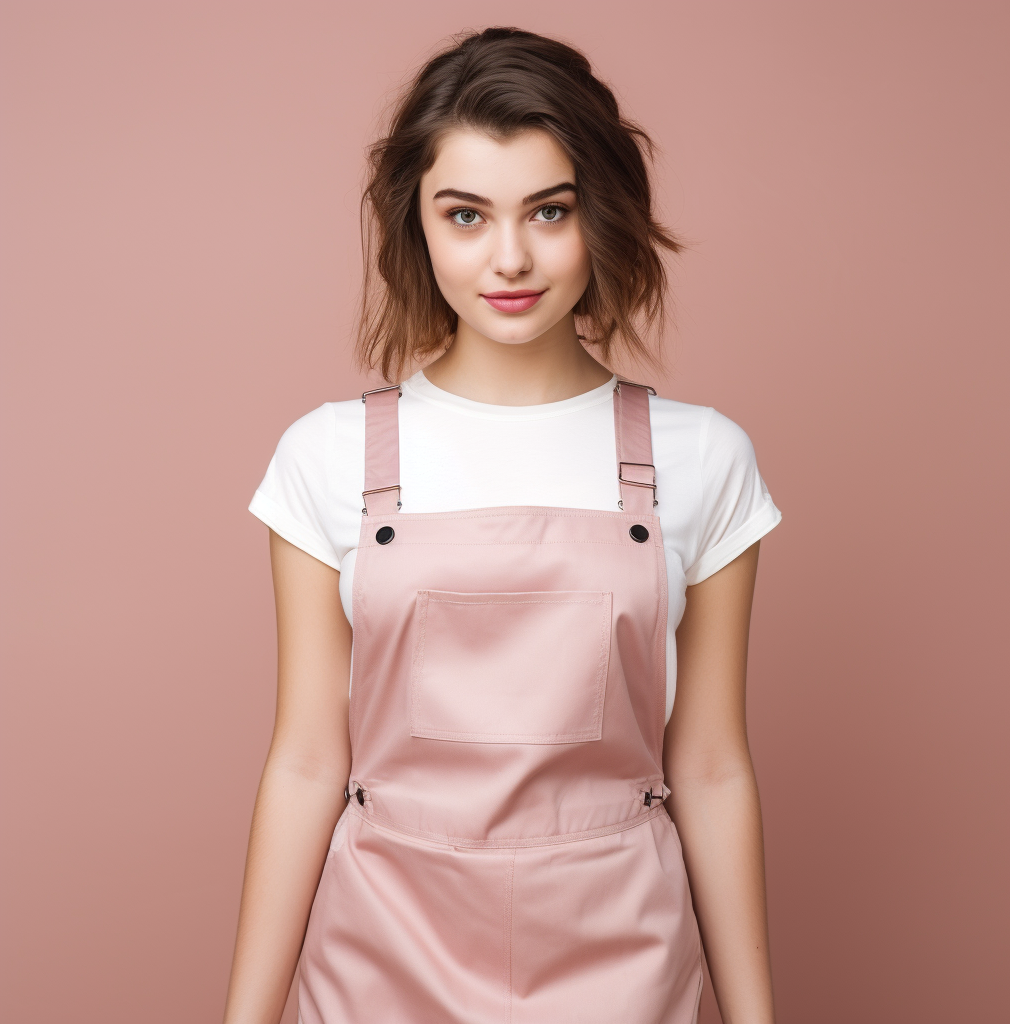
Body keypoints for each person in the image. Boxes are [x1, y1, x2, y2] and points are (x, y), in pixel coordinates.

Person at [224, 26, 781, 1024]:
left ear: (599, 214)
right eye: (467, 215)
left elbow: (709, 764)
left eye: (549, 210)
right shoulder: (326, 457)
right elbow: (308, 759)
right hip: (381, 959)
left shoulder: (704, 459)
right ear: (418, 226)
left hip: (625, 963)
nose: (510, 256)